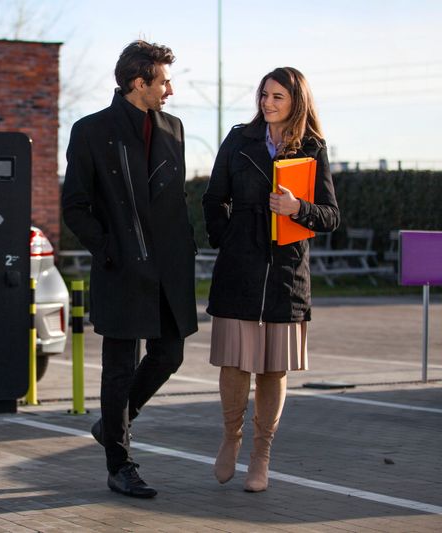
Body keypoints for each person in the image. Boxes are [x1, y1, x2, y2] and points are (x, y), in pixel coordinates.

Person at [62, 40, 198, 498]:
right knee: (118, 368)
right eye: (164, 81)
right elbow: (75, 206)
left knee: (170, 353)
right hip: (121, 267)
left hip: (168, 268)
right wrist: (108, 249)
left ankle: (113, 422)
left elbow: (175, 201)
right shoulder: (90, 131)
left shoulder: (174, 128)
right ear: (139, 84)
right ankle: (119, 463)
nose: (171, 90)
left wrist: (187, 249)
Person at [202, 67, 340, 492]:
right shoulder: (239, 139)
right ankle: (231, 438)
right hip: (239, 267)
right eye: (264, 95)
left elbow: (330, 216)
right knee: (234, 362)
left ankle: (261, 455)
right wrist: (228, 238)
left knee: (272, 368)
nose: (268, 103)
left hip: (286, 273)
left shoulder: (313, 148)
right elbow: (213, 197)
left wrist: (297, 207)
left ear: (296, 101)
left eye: (278, 97)